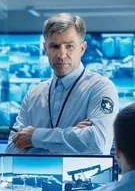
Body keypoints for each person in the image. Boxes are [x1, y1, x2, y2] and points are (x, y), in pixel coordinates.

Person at [7, 13, 119, 155]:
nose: (61, 55)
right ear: (45, 49)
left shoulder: (100, 88)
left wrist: (34, 137)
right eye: (54, 46)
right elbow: (11, 150)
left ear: (82, 49)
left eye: (69, 46)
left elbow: (98, 143)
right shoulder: (34, 93)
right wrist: (72, 136)